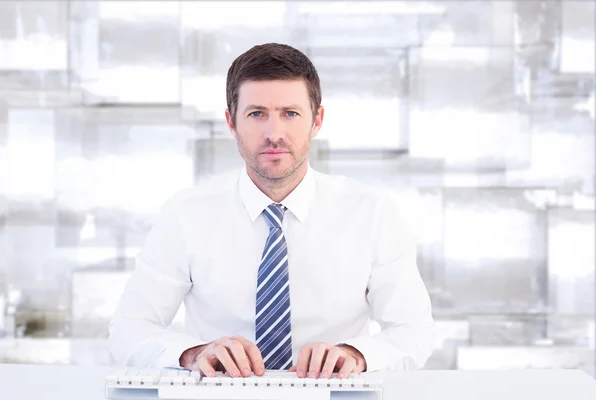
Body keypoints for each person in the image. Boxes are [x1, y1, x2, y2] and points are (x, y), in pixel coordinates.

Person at [108, 43, 437, 379]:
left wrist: (356, 354)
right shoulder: (185, 214)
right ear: (231, 123)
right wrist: (192, 354)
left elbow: (415, 330)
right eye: (256, 114)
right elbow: (128, 329)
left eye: (290, 114)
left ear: (317, 120)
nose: (274, 134)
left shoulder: (372, 213)